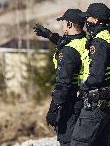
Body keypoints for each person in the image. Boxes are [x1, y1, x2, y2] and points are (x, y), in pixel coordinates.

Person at [34, 9, 89, 146]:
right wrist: (49, 35)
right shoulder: (86, 40)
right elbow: (68, 44)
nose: (62, 26)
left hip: (71, 100)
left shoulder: (68, 52)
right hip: (85, 97)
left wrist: (54, 109)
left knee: (67, 140)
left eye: (63, 23)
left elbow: (63, 84)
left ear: (70, 24)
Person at [71, 3, 110, 146]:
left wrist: (82, 87)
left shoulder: (99, 41)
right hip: (106, 97)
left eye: (89, 18)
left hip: (96, 100)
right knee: (100, 143)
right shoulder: (106, 35)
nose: (86, 21)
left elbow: (97, 76)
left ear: (96, 20)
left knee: (79, 142)